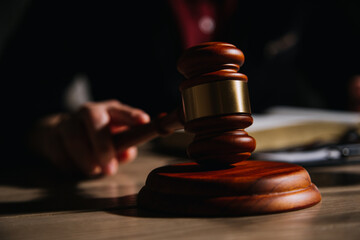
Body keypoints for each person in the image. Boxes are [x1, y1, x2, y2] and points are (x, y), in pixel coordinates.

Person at [0, 0, 359, 177]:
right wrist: (49, 134)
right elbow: (13, 97)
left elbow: (340, 63)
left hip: (286, 167)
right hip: (133, 177)